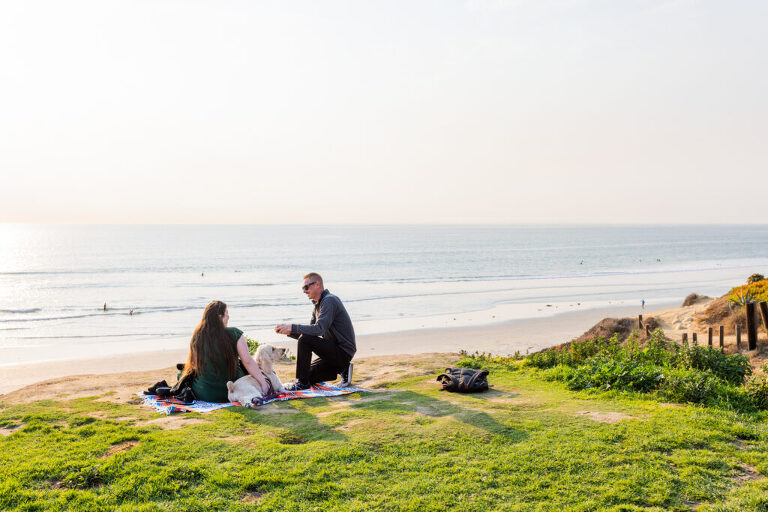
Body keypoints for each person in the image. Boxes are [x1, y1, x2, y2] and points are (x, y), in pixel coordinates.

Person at [275, 273, 356, 390]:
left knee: (305, 342)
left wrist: (292, 327)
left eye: (306, 287)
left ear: (317, 284)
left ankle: (302, 384)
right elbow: (310, 334)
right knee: (307, 376)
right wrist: (289, 332)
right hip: (332, 353)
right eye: (303, 288)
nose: (304, 291)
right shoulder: (317, 306)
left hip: (342, 351)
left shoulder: (329, 301)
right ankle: (343, 368)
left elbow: (319, 329)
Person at [180, 300, 268, 402]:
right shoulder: (234, 333)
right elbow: (247, 361)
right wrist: (264, 384)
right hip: (235, 391)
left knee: (181, 372)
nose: (228, 317)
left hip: (205, 394)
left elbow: (194, 364)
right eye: (226, 313)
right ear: (219, 316)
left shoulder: (198, 335)